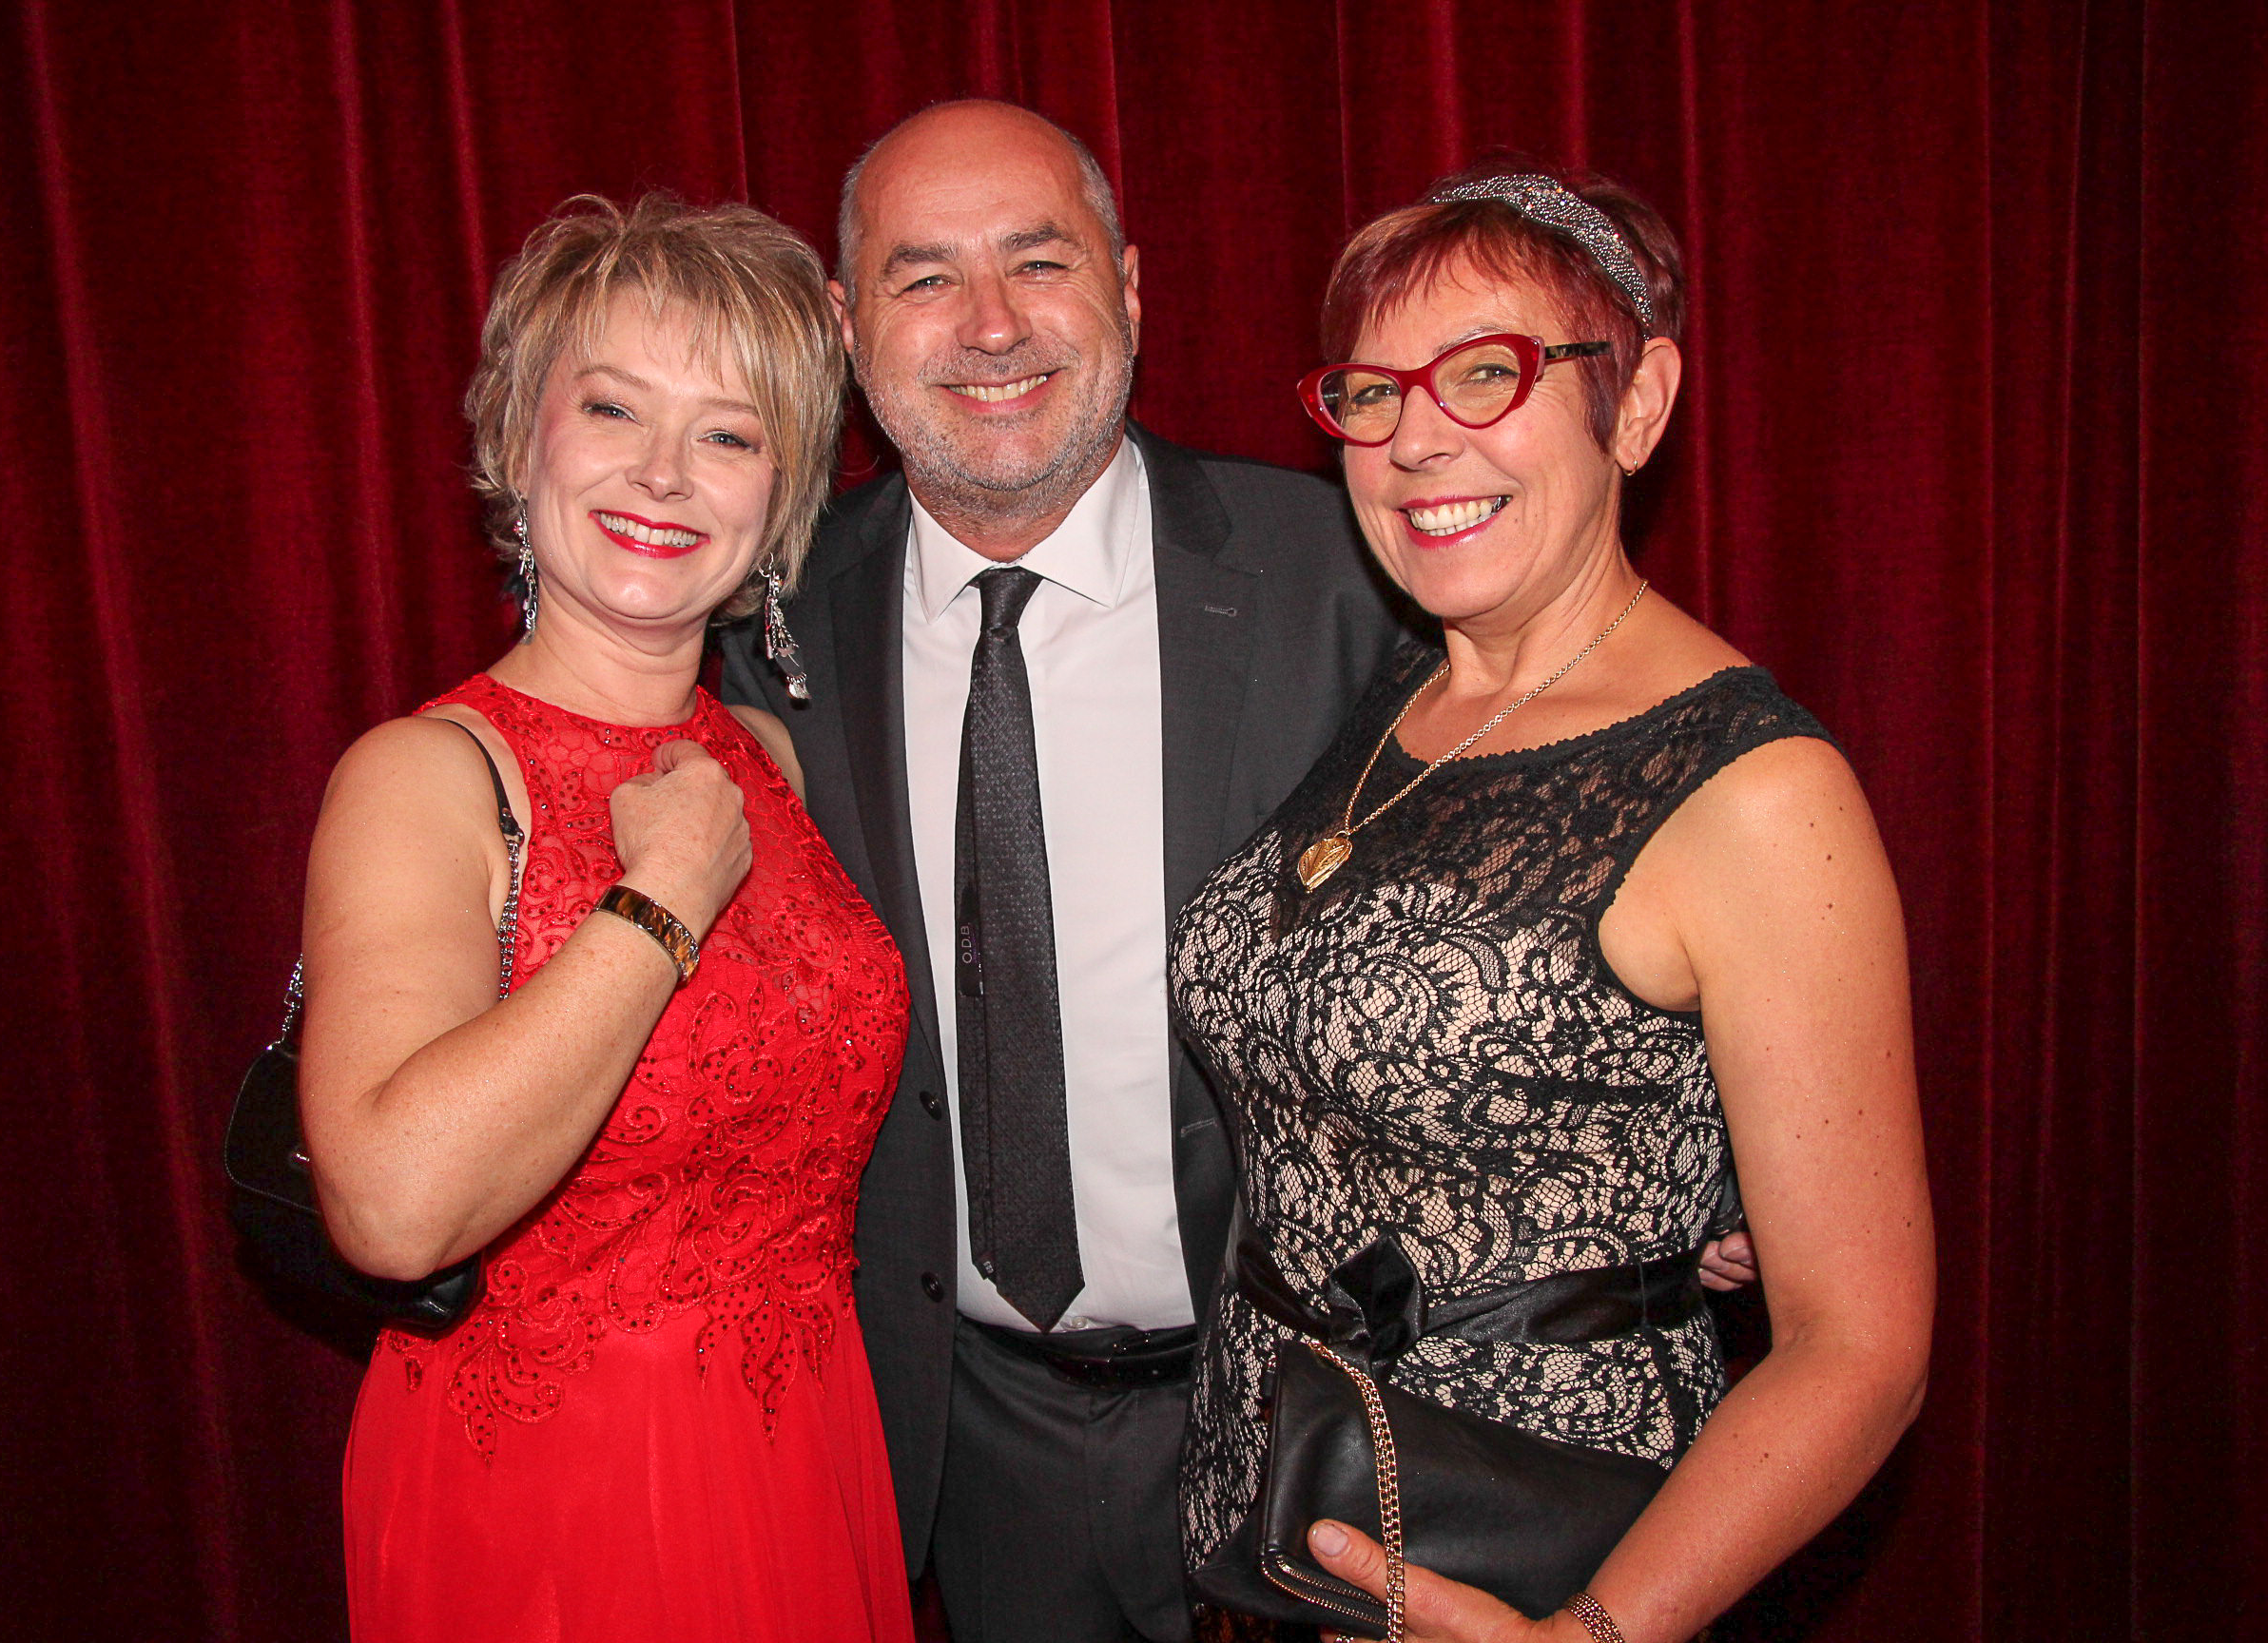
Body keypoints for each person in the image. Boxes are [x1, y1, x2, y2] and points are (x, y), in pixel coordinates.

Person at [1172, 164, 1935, 1642]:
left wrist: (1589, 1635)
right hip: (1270, 1529)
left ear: (1636, 406)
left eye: (1486, 374)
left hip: (1541, 1555)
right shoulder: (1402, 692)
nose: (1416, 440)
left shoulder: (1757, 793)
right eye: (1374, 394)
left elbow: (1861, 1351)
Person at [718, 101, 1406, 1643]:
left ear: (1131, 289)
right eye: (923, 278)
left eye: (1039, 262)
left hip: (1314, 1417)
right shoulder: (764, 626)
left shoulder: (1347, 580)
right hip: (967, 1440)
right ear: (845, 326)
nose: (990, 326)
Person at [297, 194, 913, 1643]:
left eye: (729, 435)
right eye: (614, 408)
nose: (664, 474)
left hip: (806, 1454)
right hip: (561, 1509)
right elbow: (389, 1209)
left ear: (779, 502)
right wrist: (658, 905)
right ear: (523, 441)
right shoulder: (428, 775)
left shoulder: (773, 762)